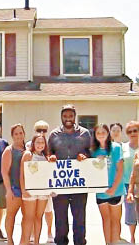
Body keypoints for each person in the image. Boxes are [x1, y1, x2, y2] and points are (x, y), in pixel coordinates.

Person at [48, 104, 91, 245]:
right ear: (61, 117)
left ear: (75, 116)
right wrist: (51, 157)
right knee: (60, 220)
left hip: (79, 183)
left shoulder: (85, 134)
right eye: (65, 116)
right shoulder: (54, 134)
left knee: (79, 219)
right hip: (60, 184)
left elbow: (91, 153)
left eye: (70, 116)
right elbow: (48, 153)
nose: (68, 119)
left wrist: (84, 155)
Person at [92, 124, 125, 244]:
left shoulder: (116, 147)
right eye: (98, 133)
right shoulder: (94, 151)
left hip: (116, 190)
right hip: (101, 192)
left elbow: (120, 169)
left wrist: (114, 188)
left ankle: (115, 242)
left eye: (103, 132)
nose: (101, 135)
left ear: (108, 133)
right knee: (106, 220)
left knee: (116, 220)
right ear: (95, 136)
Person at [26, 120, 54, 244]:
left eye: (44, 130)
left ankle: (48, 232)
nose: (41, 132)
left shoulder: (48, 149)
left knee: (46, 212)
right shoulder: (29, 148)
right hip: (32, 190)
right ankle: (31, 235)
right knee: (31, 215)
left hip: (45, 189)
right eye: (39, 130)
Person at [20, 134, 50, 245]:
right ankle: (26, 241)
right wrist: (23, 189)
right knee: (29, 217)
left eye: (42, 142)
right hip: (30, 191)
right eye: (38, 142)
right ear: (33, 143)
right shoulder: (28, 155)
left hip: (43, 191)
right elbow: (21, 173)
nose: (40, 145)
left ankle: (36, 241)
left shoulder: (46, 157)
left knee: (39, 217)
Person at [1, 123, 26, 245]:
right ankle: (10, 240)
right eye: (16, 133)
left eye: (21, 133)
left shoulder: (28, 149)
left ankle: (24, 240)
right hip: (14, 188)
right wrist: (8, 190)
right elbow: (4, 172)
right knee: (11, 215)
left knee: (26, 217)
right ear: (12, 136)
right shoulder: (9, 150)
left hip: (27, 189)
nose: (19, 136)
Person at [122, 121, 139, 243]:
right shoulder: (123, 147)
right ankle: (132, 237)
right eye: (130, 131)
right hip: (127, 184)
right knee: (130, 211)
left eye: (135, 130)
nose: (133, 133)